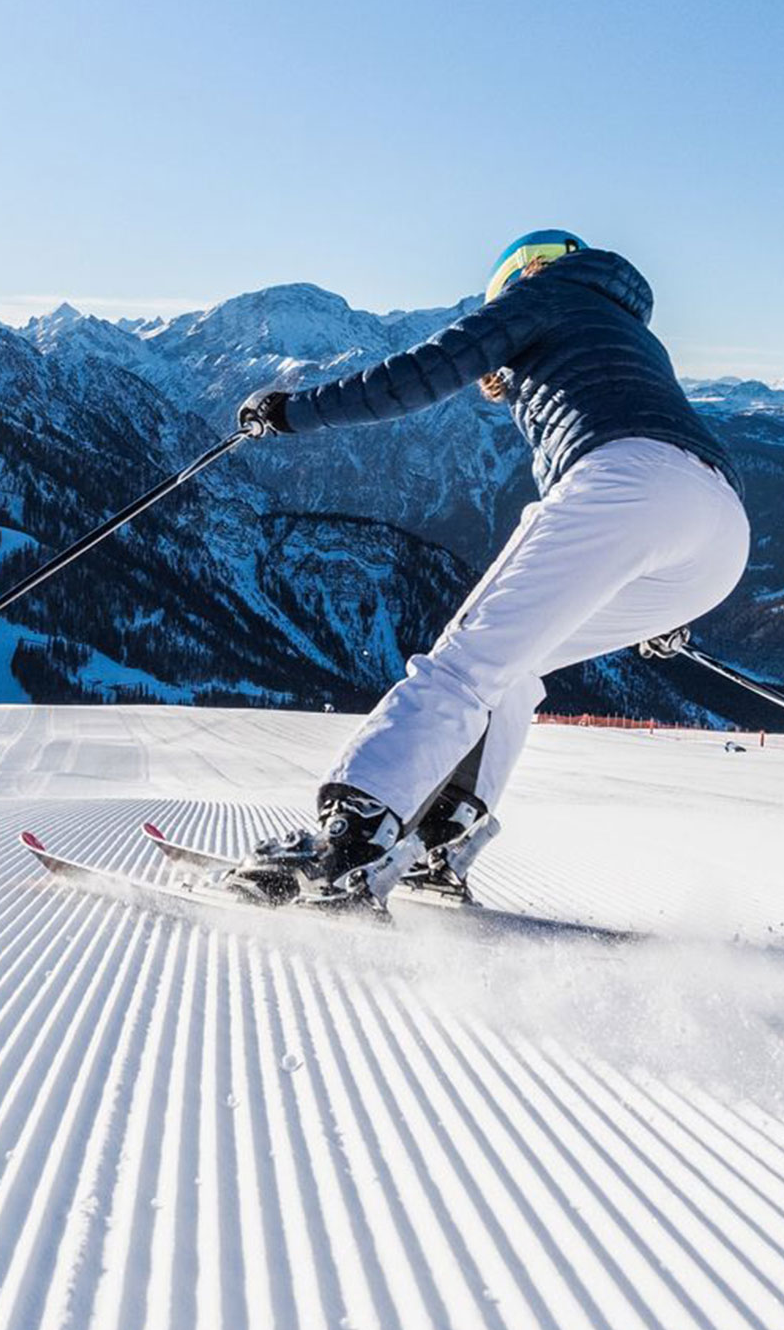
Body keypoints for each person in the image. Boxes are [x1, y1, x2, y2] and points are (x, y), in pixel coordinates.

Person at [228, 230, 750, 909]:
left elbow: (416, 376)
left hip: (625, 484)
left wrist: (292, 412)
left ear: (520, 276)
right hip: (718, 530)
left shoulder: (547, 294)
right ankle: (435, 845)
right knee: (512, 665)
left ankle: (348, 845)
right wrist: (661, 599)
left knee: (464, 666)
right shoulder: (629, 330)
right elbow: (677, 472)